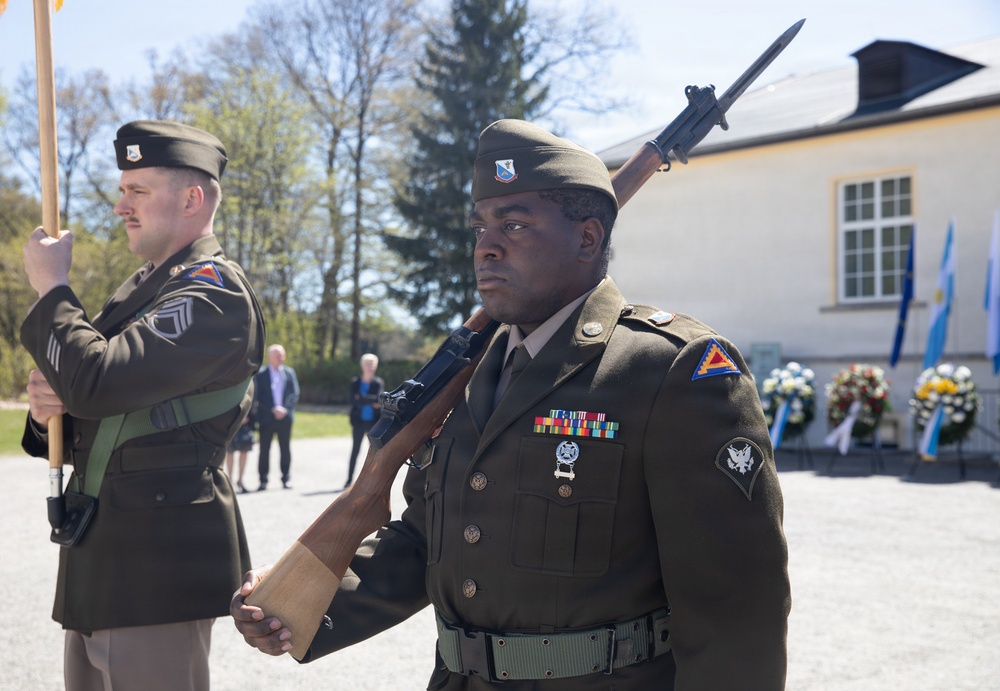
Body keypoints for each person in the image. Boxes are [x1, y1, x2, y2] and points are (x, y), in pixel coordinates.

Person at [231, 119, 790, 690]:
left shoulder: (670, 369)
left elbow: (736, 607)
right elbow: (433, 538)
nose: (486, 246)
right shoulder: (470, 373)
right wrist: (296, 605)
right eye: (481, 227)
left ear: (588, 239)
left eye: (515, 225)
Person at [21, 120, 265, 691]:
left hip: (157, 569)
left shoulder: (212, 294)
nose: (119, 206)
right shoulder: (145, 289)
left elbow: (99, 381)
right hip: (105, 560)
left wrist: (53, 290)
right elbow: (91, 397)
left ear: (192, 199)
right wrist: (46, 411)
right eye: (122, 189)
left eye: (138, 191)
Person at [255, 344, 300, 490]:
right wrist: (273, 409)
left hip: (285, 418)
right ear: (270, 357)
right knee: (264, 449)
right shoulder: (260, 374)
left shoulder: (289, 372)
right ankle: (263, 480)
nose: (280, 358)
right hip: (266, 418)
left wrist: (284, 409)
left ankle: (286, 478)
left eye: (282, 355)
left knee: (285, 448)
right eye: (277, 355)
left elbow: (294, 393)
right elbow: (258, 396)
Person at [345, 352, 384, 488]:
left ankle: (373, 481)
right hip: (358, 421)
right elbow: (352, 399)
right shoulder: (355, 382)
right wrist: (370, 399)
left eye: (372, 364)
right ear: (362, 366)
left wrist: (361, 398)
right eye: (368, 364)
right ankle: (349, 480)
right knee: (355, 450)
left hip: (373, 422)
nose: (370, 367)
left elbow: (378, 400)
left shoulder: (378, 382)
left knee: (374, 452)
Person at [226, 413, 255, 493]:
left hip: (246, 421)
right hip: (230, 421)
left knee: (244, 451)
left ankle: (240, 481)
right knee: (230, 451)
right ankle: (229, 481)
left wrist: (246, 415)